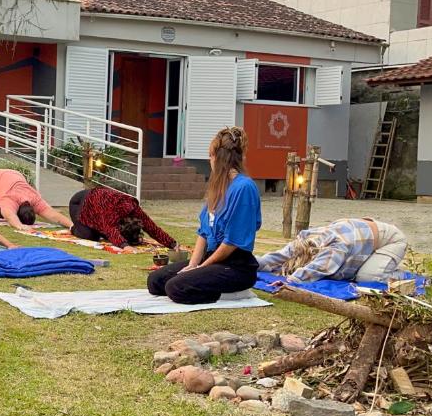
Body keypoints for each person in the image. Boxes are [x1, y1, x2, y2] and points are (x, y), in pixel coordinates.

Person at [147, 127, 261, 304]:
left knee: (176, 288)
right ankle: (202, 278)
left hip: (235, 266)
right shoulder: (217, 188)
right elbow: (203, 232)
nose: (209, 161)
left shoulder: (244, 188)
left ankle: (233, 294)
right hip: (211, 259)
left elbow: (231, 243)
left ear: (218, 157)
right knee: (155, 281)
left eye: (210, 156)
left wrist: (201, 267)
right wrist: (193, 264)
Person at [258, 218, 408, 283]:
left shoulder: (336, 248)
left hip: (390, 240)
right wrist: (253, 262)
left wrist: (292, 280)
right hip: (362, 237)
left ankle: (401, 275)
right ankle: (379, 264)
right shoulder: (305, 239)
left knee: (367, 277)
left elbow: (316, 269)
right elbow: (280, 256)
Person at [68, 186, 178, 249]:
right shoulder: (110, 213)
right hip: (79, 203)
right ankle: (73, 228)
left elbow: (152, 228)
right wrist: (125, 246)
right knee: (89, 236)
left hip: (99, 210)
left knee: (105, 233)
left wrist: (172, 244)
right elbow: (111, 231)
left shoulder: (134, 209)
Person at [0, 169, 73, 230]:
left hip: (13, 175)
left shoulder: (35, 199)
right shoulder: (9, 198)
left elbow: (53, 215)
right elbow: (10, 216)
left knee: (3, 209)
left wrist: (71, 225)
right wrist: (20, 226)